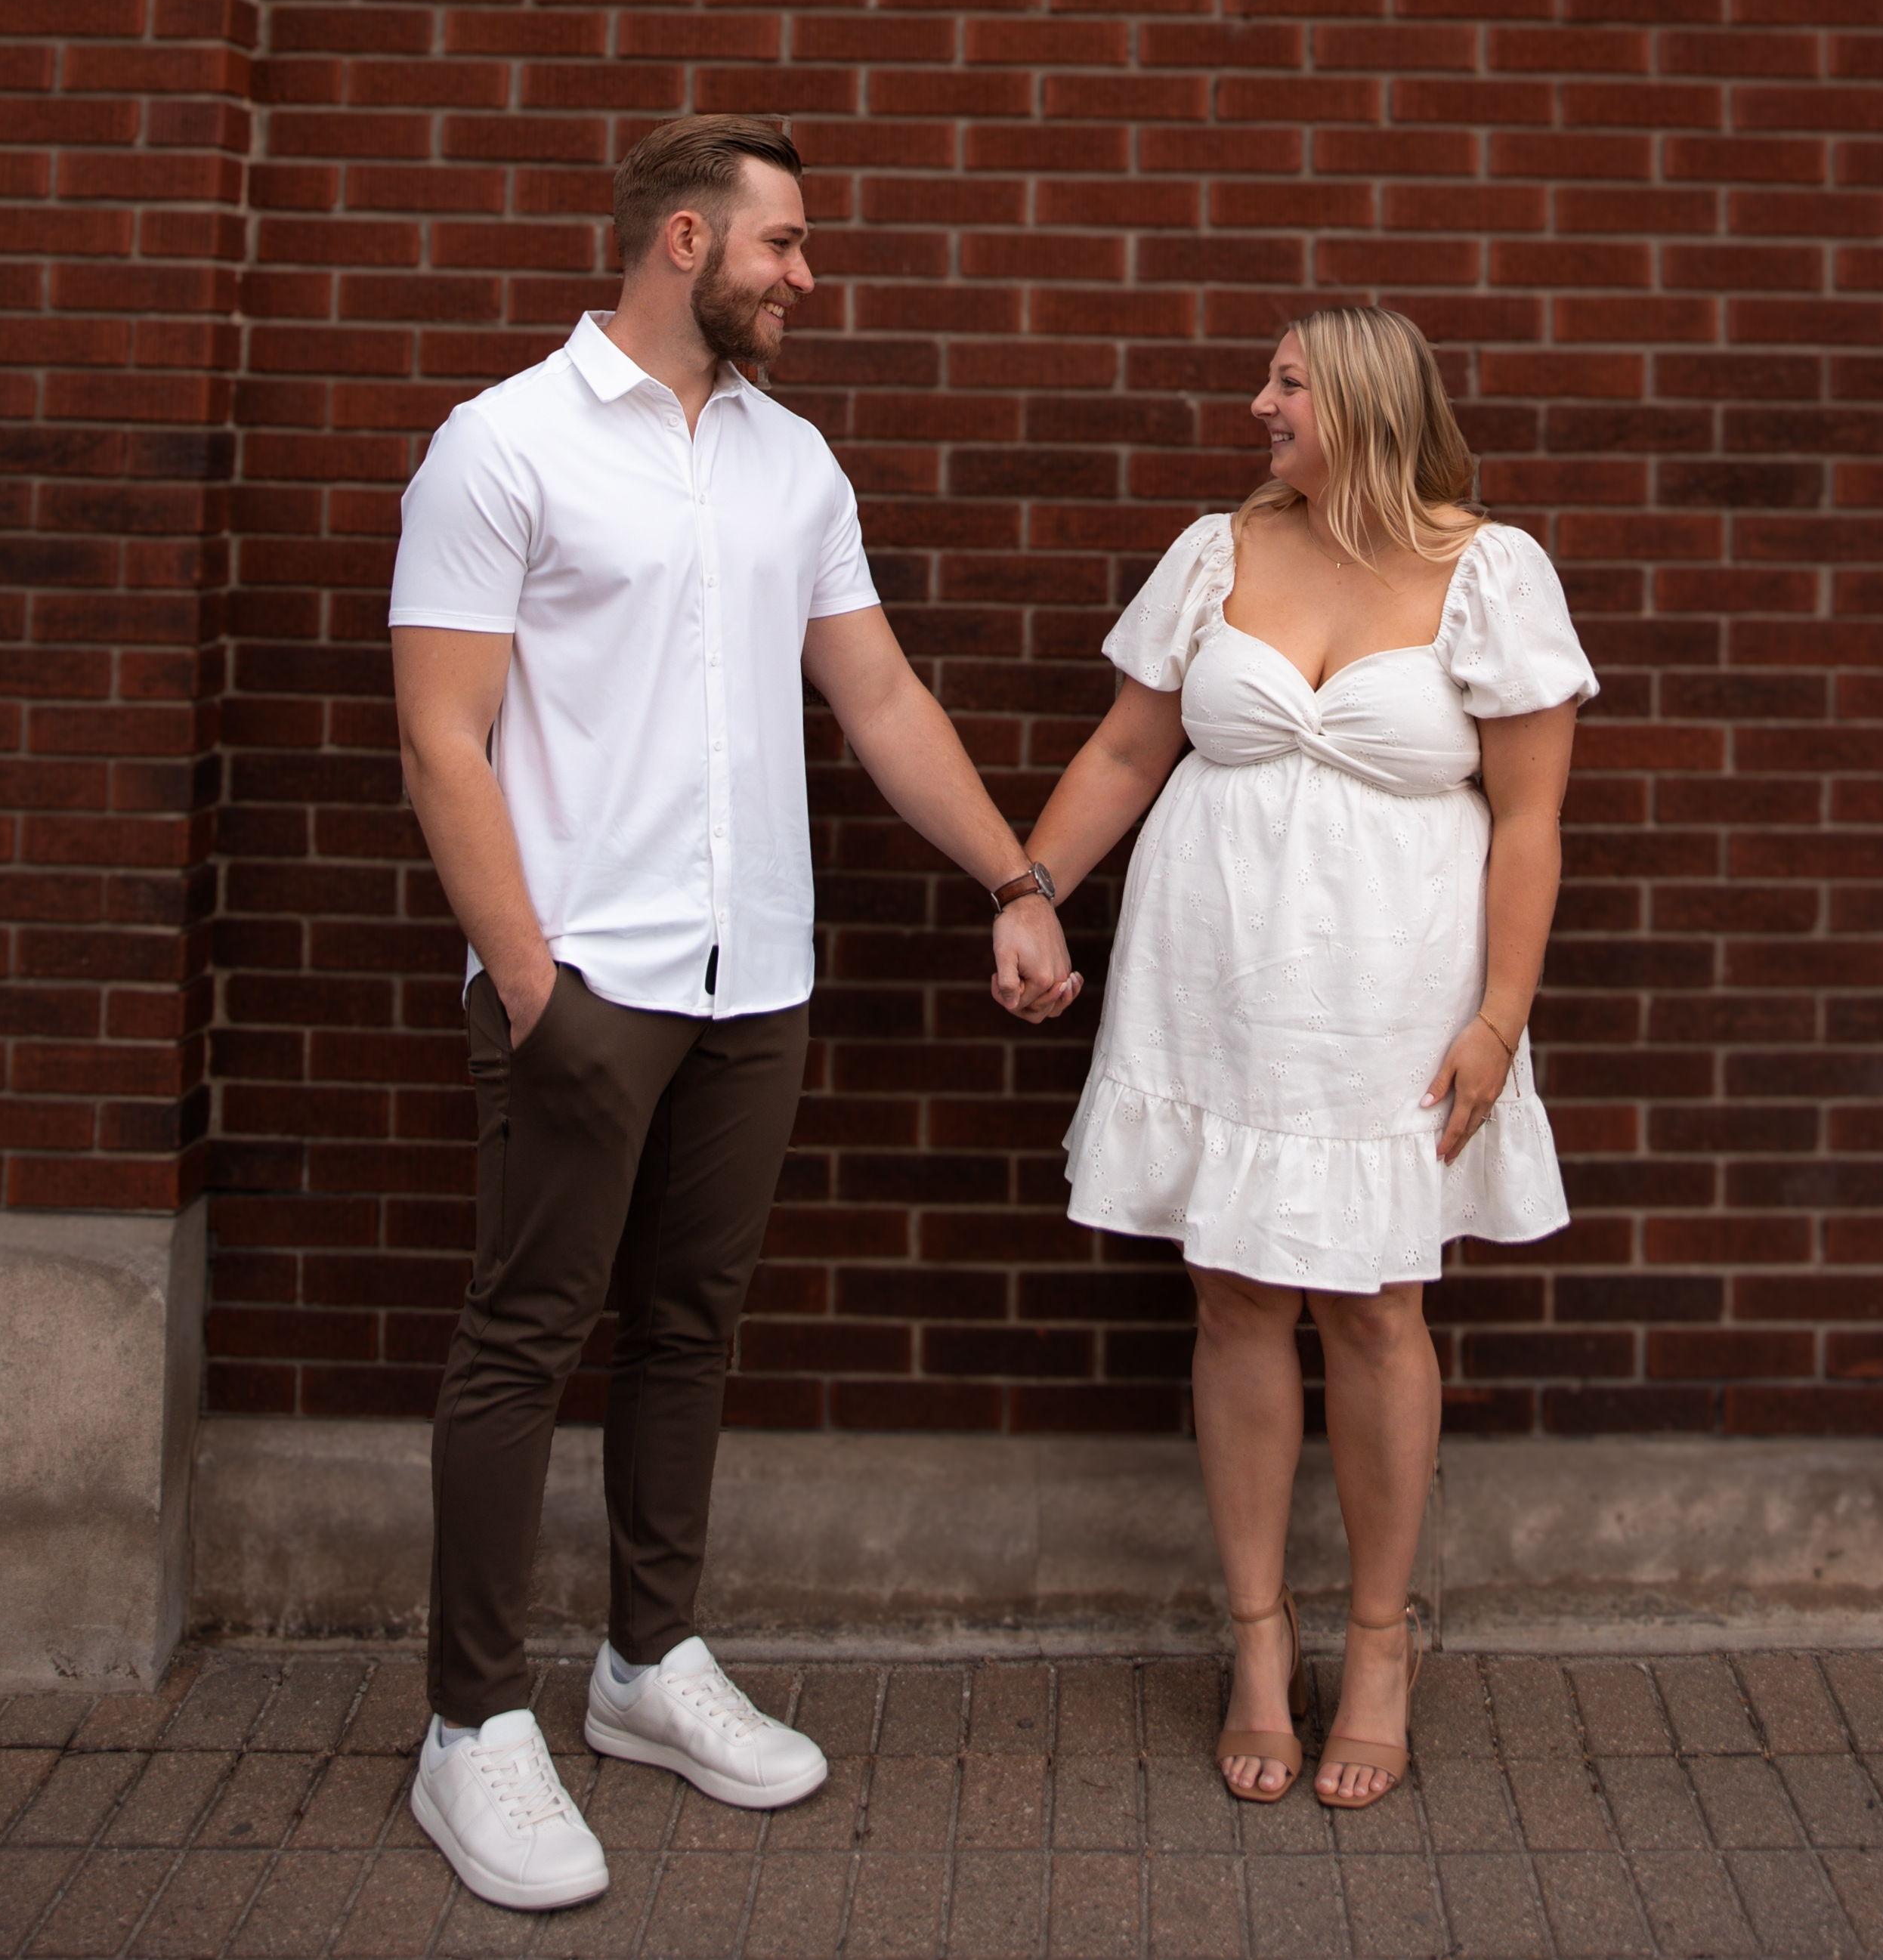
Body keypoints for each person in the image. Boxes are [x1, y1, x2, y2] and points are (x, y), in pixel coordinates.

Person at [385, 113, 1076, 1916]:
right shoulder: (504, 445)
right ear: (684, 241)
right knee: (525, 1337)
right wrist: (530, 986)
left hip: (754, 974)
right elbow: (442, 736)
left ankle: (644, 1665)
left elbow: (880, 698)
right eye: (785, 243)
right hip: (584, 982)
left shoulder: (793, 463)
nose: (807, 277)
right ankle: (470, 1726)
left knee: (689, 1329)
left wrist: (1014, 878)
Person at [1010, 303, 1594, 1810]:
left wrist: (1501, 1017)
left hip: (1394, 1000)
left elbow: (1530, 820)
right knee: (1235, 1293)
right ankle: (1259, 1641)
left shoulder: (1491, 571)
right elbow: (1128, 749)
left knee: (1378, 1305)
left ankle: (1381, 1644)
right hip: (1217, 984)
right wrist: (1031, 889)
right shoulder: (1218, 553)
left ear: (1364, 404)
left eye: (1286, 384)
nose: (1258, 404)